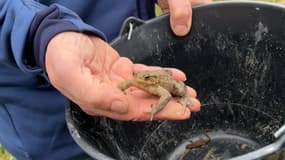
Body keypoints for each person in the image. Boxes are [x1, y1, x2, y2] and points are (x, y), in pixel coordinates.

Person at [0, 0, 210, 159]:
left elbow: (166, 92)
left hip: (129, 54)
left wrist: (168, 101)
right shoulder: (143, 80)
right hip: (44, 112)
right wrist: (41, 31)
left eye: (143, 79)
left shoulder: (155, 85)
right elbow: (133, 81)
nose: (138, 80)